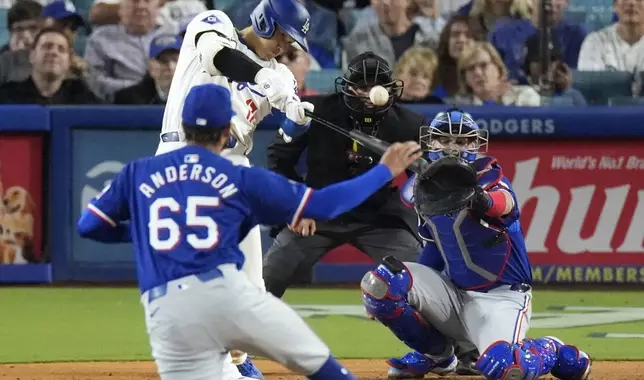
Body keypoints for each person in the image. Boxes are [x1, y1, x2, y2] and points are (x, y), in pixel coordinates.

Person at [76, 83, 422, 380]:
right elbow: (325, 206)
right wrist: (383, 171)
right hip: (228, 297)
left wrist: (139, 233)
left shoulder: (137, 173)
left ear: (181, 125)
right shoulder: (238, 176)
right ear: (228, 130)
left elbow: (89, 226)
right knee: (321, 366)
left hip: (166, 312)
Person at [361, 108, 592, 380]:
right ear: (430, 142)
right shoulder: (420, 187)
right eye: (444, 140)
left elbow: (506, 203)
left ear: (474, 145)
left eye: (461, 142)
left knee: (506, 367)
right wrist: (404, 293)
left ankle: (552, 349)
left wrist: (479, 200)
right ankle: (438, 356)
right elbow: (434, 247)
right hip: (454, 292)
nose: (452, 148)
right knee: (380, 284)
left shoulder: (489, 176)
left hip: (501, 295)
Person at [153, 0, 314, 379]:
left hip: (234, 168)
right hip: (183, 159)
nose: (284, 45)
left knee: (252, 287)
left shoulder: (282, 74)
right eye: (282, 35)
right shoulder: (214, 23)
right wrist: (264, 77)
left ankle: (237, 361)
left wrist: (297, 118)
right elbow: (215, 56)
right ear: (262, 21)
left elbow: (287, 135)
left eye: (291, 42)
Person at [263, 51, 425, 299]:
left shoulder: (409, 125)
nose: (371, 94)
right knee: (269, 275)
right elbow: (278, 157)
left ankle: (438, 335)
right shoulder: (316, 112)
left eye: (378, 86)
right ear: (347, 88)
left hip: (378, 217)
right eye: (362, 86)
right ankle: (239, 334)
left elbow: (428, 172)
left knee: (421, 279)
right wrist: (297, 207)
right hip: (317, 213)